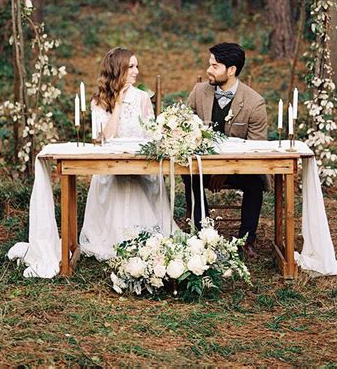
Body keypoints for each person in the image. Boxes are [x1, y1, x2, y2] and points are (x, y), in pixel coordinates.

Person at [80, 47, 176, 260]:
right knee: (116, 180)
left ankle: (144, 238)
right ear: (117, 69)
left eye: (136, 66)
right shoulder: (98, 101)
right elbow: (103, 139)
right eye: (131, 66)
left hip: (139, 164)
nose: (136, 71)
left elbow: (152, 136)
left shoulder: (142, 98)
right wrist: (119, 105)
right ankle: (116, 238)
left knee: (135, 182)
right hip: (110, 165)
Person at [183, 42, 268, 258]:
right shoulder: (199, 92)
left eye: (215, 66)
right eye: (209, 64)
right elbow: (184, 130)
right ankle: (202, 235)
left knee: (256, 181)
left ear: (231, 70)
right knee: (190, 176)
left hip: (241, 169)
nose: (208, 70)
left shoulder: (254, 103)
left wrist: (225, 171)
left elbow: (255, 150)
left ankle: (247, 240)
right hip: (202, 166)